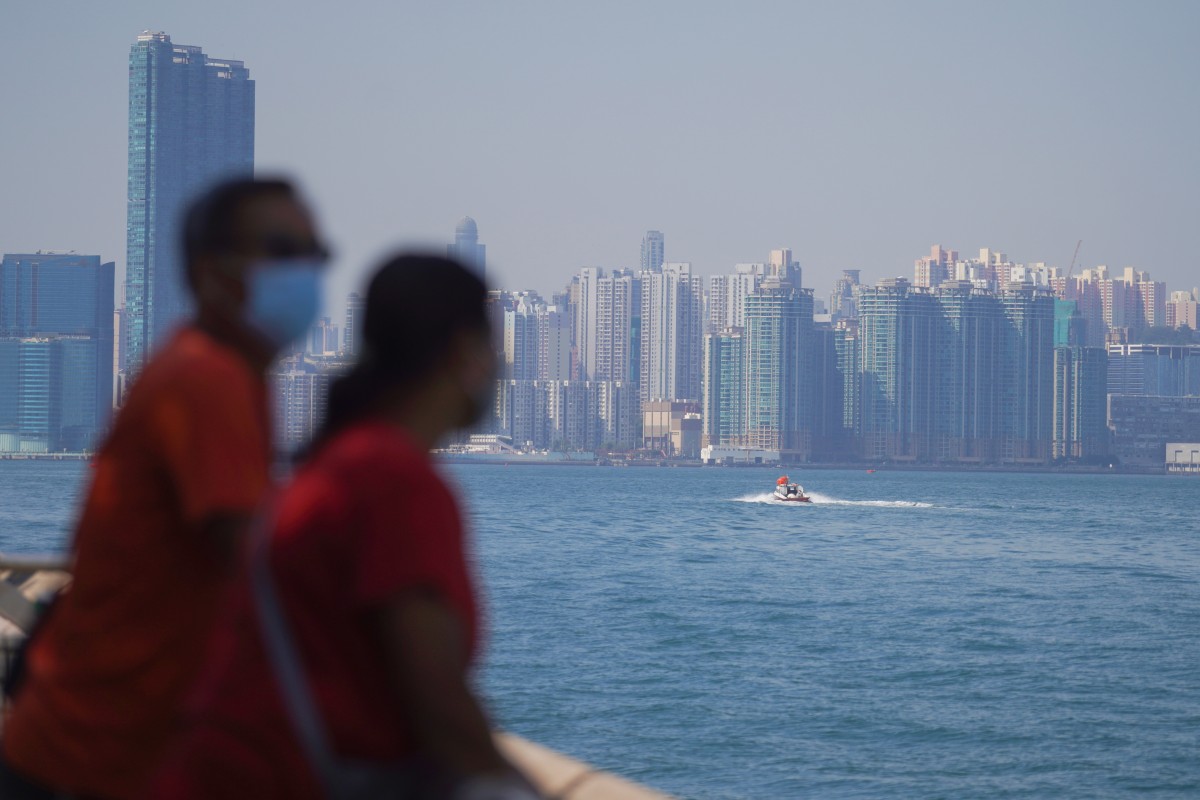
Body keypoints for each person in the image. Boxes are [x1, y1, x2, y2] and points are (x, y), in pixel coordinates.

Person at [151, 254, 538, 799]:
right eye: (494, 346)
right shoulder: (393, 481)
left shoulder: (340, 462)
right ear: (464, 351)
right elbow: (440, 707)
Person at [0, 178, 328, 800]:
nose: (305, 271)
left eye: (315, 254)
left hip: (102, 748)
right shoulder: (207, 380)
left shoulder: (225, 374)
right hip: (90, 760)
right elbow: (260, 572)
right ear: (211, 273)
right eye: (282, 252)